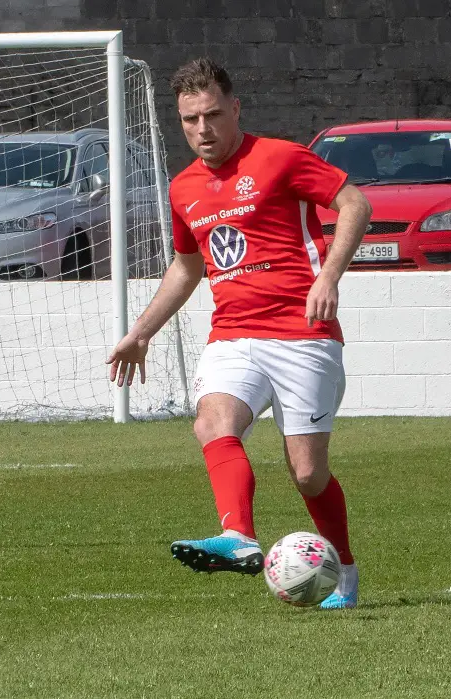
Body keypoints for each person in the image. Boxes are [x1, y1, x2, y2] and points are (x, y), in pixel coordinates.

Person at [107, 58, 372, 609]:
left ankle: (344, 571)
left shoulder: (279, 157)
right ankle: (239, 535)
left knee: (307, 473)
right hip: (233, 334)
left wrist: (328, 276)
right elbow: (186, 268)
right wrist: (142, 333)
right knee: (212, 423)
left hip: (303, 334)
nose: (202, 129)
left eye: (212, 115)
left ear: (235, 109)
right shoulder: (183, 188)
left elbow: (355, 203)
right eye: (190, 120)